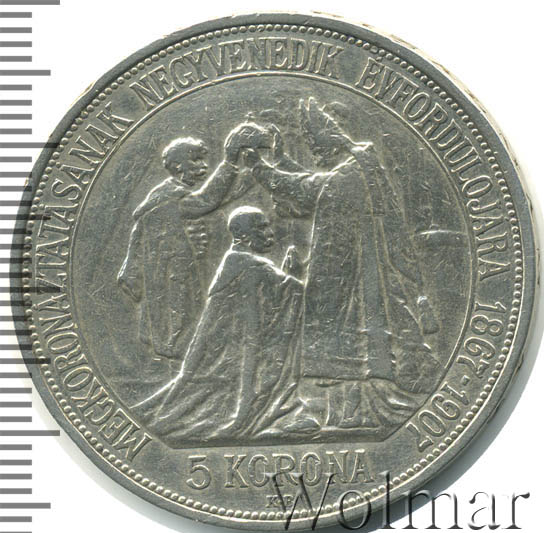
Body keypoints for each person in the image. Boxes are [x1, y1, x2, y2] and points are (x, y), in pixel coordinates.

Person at [251, 98, 439, 431]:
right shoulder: (359, 170)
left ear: (331, 144)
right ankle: (350, 413)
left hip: (348, 283)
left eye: (316, 148)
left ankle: (356, 416)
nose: (314, 155)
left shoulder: (346, 178)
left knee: (351, 349)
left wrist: (260, 167)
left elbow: (308, 189)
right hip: (360, 278)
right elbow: (317, 183)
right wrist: (278, 161)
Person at [145, 206, 306, 447]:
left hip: (220, 357)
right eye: (262, 228)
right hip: (237, 358)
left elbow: (270, 301)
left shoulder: (233, 261)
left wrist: (286, 280)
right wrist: (294, 276)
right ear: (244, 235)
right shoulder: (252, 265)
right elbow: (291, 292)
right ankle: (245, 414)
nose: (270, 233)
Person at [118, 123, 271, 365]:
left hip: (177, 267)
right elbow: (206, 202)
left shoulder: (170, 194)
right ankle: (180, 355)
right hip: (171, 272)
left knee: (184, 312)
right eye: (196, 161)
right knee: (179, 314)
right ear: (178, 166)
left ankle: (182, 353)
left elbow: (215, 201)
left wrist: (250, 174)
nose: (203, 167)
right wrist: (229, 161)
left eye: (203, 161)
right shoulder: (166, 198)